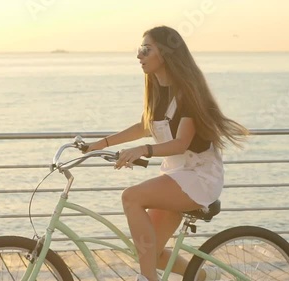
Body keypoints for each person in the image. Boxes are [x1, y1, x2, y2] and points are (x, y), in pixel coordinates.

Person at [84, 26, 248, 281]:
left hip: (199, 176)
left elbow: (181, 144)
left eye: (145, 50)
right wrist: (99, 144)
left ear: (167, 53)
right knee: (150, 252)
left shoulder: (189, 94)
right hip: (175, 175)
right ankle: (204, 276)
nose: (139, 56)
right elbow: (143, 127)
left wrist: (143, 149)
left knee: (131, 197)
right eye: (139, 50)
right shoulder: (159, 92)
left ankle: (147, 279)